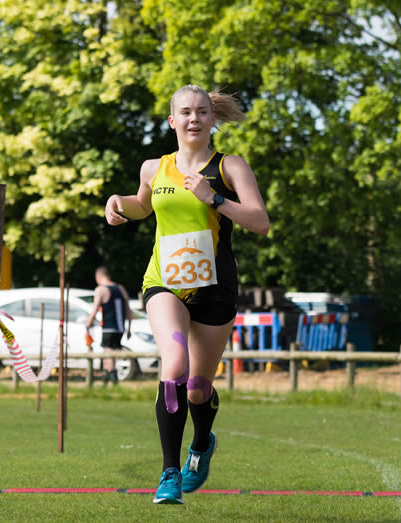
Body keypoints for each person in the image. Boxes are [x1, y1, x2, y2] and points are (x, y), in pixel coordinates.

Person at [104, 85, 269, 504]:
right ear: (173, 120)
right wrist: (117, 203)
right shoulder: (152, 168)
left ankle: (201, 444)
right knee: (173, 366)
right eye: (186, 112)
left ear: (213, 120)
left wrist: (213, 198)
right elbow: (143, 206)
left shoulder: (229, 166)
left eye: (202, 112)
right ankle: (169, 473)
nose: (194, 119)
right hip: (164, 282)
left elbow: (259, 222)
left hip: (215, 288)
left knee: (197, 386)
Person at [85, 266, 133, 386]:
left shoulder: (101, 290)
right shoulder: (120, 288)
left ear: (98, 276)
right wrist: (129, 328)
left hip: (108, 327)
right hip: (120, 327)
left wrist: (89, 323)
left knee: (108, 353)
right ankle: (106, 379)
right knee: (112, 353)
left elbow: (95, 309)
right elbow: (128, 310)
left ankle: (112, 379)